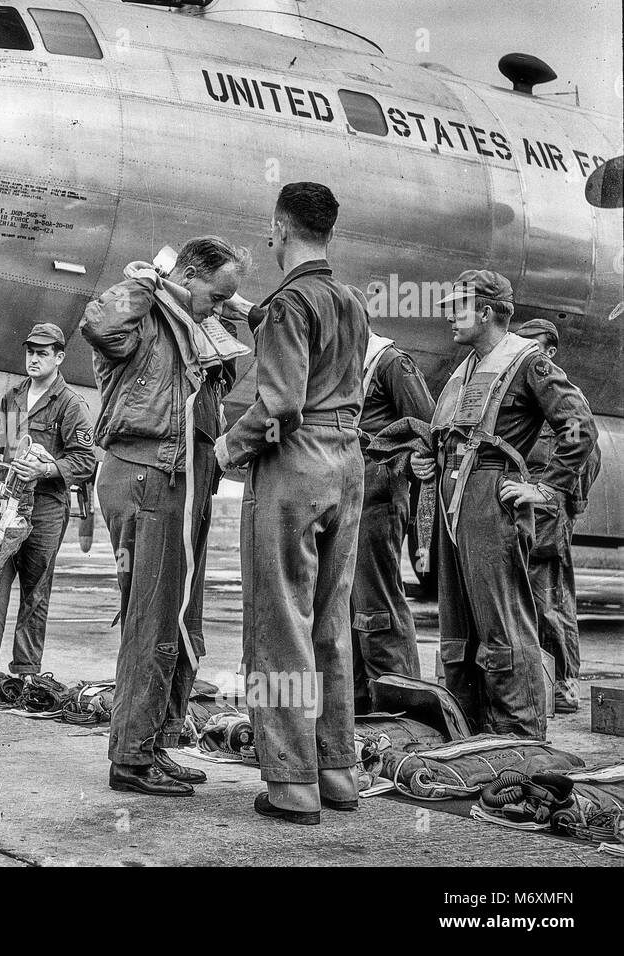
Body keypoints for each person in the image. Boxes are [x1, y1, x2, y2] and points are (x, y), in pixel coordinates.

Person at [216, 182, 368, 825]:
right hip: (348, 464)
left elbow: (280, 403)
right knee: (330, 625)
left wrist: (224, 450)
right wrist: (249, 310)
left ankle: (289, 781)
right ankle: (337, 771)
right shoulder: (350, 300)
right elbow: (301, 328)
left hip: (295, 465)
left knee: (279, 627)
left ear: (279, 228)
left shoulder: (289, 304)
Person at [81, 237, 249, 797]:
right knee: (153, 619)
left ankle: (155, 740)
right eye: (217, 294)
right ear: (189, 277)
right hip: (149, 476)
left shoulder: (194, 325)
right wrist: (147, 280)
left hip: (184, 481)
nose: (223, 306)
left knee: (178, 619)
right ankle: (131, 757)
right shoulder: (148, 313)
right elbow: (99, 325)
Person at [410, 273, 596, 740]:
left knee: (502, 624)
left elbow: (578, 426)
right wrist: (428, 462)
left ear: (488, 311)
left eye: (458, 305)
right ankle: (468, 731)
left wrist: (547, 489)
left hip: (492, 498)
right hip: (456, 500)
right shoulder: (467, 366)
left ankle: (518, 736)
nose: (448, 313)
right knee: (459, 627)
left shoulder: (527, 363)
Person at [0, 323, 96, 687]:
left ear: (59, 357)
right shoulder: (13, 396)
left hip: (46, 506)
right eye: (30, 351)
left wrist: (47, 468)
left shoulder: (70, 404)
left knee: (36, 587)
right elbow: (1, 442)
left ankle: (26, 671)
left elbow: (85, 460)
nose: (34, 358)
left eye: (43, 353)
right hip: (8, 501)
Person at [514, 318, 600, 715]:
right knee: (526, 601)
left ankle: (565, 683)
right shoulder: (526, 400)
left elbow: (588, 454)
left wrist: (562, 502)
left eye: (531, 345)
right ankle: (540, 682)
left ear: (548, 352)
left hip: (548, 513)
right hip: (524, 509)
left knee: (550, 603)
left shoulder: (562, 395)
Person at [350, 325, 435, 711]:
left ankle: (402, 704)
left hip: (380, 495)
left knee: (376, 602)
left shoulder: (390, 362)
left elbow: (425, 426)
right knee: (352, 603)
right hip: (353, 493)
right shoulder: (350, 359)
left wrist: (402, 461)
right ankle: (360, 700)